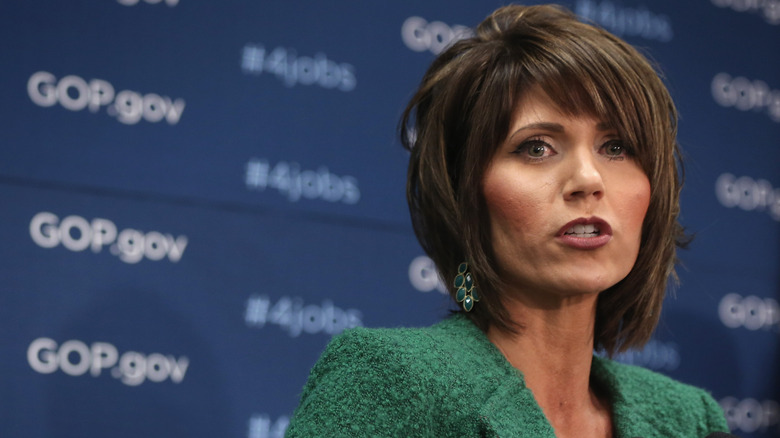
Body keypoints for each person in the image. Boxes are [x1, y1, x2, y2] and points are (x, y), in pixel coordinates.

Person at [286, 4, 730, 437]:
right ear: (465, 195)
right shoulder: (390, 383)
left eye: (616, 147)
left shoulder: (689, 421)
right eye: (537, 147)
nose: (588, 179)